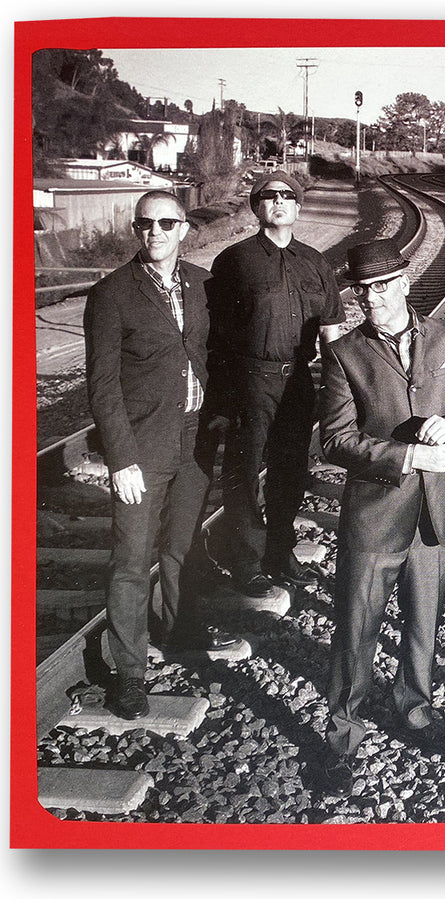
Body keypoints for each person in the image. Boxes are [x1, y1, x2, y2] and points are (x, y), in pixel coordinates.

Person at [316, 238, 445, 796]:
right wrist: (406, 455)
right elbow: (335, 440)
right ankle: (343, 732)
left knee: (424, 623)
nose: (373, 299)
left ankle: (415, 711)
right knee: (356, 628)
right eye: (364, 291)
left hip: (438, 513)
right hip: (375, 514)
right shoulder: (346, 353)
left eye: (383, 287)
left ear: (405, 284)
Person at [84, 190, 240, 720]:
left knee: (182, 545)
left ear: (184, 230)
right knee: (131, 561)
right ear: (136, 229)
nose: (155, 232)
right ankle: (130, 674)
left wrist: (219, 409)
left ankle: (181, 631)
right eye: (145, 224)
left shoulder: (203, 285)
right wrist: (120, 458)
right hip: (142, 445)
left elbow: (215, 353)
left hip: (195, 438)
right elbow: (102, 385)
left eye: (166, 224)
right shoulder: (112, 294)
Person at [207, 172, 346, 597]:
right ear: (256, 207)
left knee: (290, 470)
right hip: (251, 378)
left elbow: (333, 329)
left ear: (299, 207)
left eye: (288, 195)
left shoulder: (316, 263)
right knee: (245, 469)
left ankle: (279, 553)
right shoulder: (234, 261)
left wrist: (339, 386)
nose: (279, 201)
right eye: (268, 196)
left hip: (299, 380)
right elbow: (216, 333)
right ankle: (247, 560)